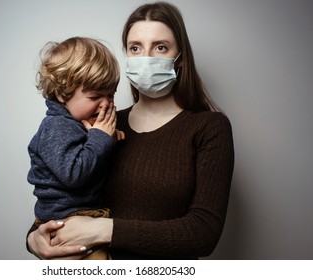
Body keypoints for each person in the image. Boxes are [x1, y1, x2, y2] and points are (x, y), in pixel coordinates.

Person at [26, 1, 234, 260]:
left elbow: (203, 234)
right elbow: (64, 196)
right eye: (136, 48)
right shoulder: (101, 126)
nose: (146, 58)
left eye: (160, 47)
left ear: (180, 58)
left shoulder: (209, 128)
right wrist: (34, 237)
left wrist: (103, 230)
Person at [27, 36, 124, 260]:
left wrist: (106, 139)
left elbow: (89, 152)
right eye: (94, 96)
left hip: (82, 217)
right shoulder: (56, 126)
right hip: (64, 222)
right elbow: (74, 174)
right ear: (62, 95)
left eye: (110, 95)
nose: (105, 104)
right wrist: (100, 138)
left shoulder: (78, 122)